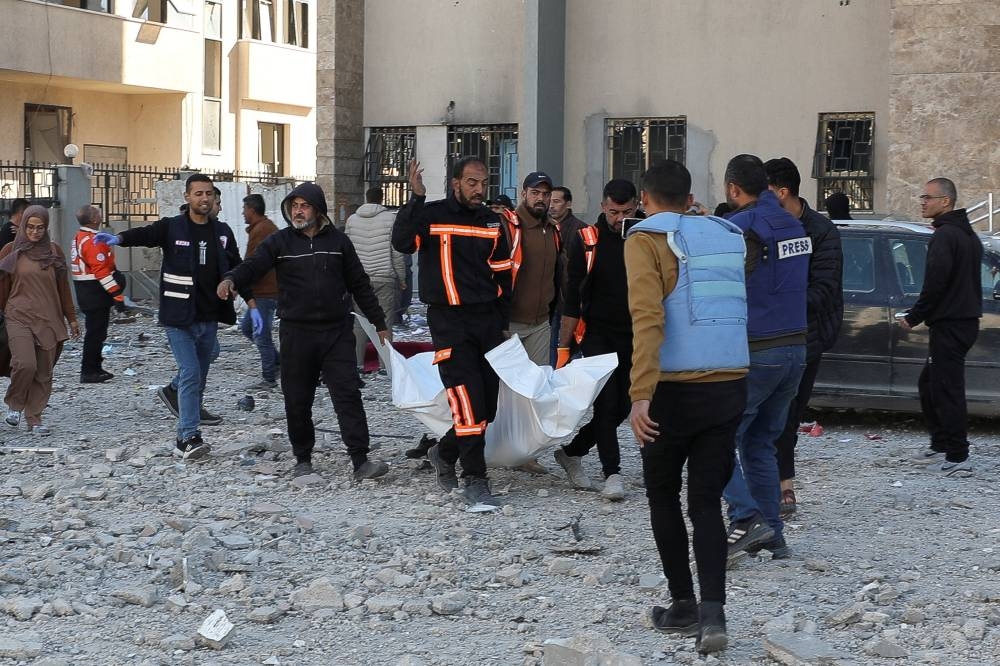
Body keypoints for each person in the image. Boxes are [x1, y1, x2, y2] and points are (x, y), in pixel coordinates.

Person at [626, 160, 748, 655]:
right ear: (689, 194)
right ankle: (713, 614)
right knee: (706, 504)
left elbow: (648, 320)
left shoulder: (646, 240)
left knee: (661, 493)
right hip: (729, 386)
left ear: (645, 198)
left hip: (673, 392)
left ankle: (682, 605)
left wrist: (639, 395)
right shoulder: (725, 234)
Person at [220, 182, 391, 481]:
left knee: (348, 395)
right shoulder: (280, 242)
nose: (298, 211)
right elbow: (254, 265)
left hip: (337, 332)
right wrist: (232, 278)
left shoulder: (339, 243)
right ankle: (303, 459)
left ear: (317, 209)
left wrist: (380, 324)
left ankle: (361, 461)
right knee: (297, 398)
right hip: (296, 333)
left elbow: (360, 284)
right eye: (294, 206)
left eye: (305, 205)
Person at [95, 173, 251, 459]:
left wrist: (236, 285)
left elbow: (237, 266)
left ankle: (175, 396)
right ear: (187, 197)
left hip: (209, 318)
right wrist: (117, 238)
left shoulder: (223, 232)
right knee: (191, 371)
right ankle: (187, 436)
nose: (204, 198)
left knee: (198, 376)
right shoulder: (173, 228)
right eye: (198, 194)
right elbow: (146, 234)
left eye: (209, 194)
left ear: (214, 198)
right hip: (178, 317)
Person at [392, 157, 513, 508]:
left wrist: (502, 321)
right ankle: (475, 477)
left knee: (487, 406)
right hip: (449, 322)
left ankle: (443, 453)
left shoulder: (492, 221)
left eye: (483, 183)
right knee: (466, 400)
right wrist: (414, 198)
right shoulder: (431, 215)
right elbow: (402, 242)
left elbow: (504, 273)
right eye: (472, 182)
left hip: (488, 322)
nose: (479, 189)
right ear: (456, 183)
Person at [720, 155, 809, 562]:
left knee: (716, 439)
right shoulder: (795, 223)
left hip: (759, 349)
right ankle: (774, 535)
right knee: (760, 443)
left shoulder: (740, 227)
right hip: (796, 350)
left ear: (733, 189)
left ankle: (746, 515)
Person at [763, 158, 844, 514]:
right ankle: (764, 484)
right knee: (760, 414)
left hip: (804, 338)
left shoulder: (822, 231)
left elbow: (824, 290)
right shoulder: (762, 227)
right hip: (766, 336)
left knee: (788, 414)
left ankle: (784, 487)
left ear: (782, 192)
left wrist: (776, 302)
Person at [553, 179, 640, 501]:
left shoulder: (645, 234)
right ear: (603, 207)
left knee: (625, 407)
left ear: (637, 206)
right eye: (614, 212)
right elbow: (572, 296)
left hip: (636, 333)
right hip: (597, 334)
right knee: (606, 404)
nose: (620, 218)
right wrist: (564, 346)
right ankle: (612, 472)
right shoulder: (586, 240)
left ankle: (572, 451)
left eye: (627, 211)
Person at [902, 177, 981, 477]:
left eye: (928, 197)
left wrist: (913, 316)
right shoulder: (963, 233)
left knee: (947, 389)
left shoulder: (947, 236)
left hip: (952, 324)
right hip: (959, 322)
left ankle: (958, 457)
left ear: (945, 201)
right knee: (930, 383)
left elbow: (935, 284)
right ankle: (941, 442)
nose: (922, 201)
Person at [0, 205, 80, 435]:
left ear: (46, 228)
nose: (35, 232)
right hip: (18, 315)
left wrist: (72, 318)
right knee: (25, 364)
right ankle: (15, 405)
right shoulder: (10, 250)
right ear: (23, 226)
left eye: (40, 227)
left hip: (49, 319)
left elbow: (63, 287)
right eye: (30, 227)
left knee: (44, 372)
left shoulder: (54, 252)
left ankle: (34, 418)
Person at [502, 171, 561, 365]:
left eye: (545, 194)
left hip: (541, 324)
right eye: (535, 192)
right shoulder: (508, 225)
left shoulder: (553, 230)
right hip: (510, 323)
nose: (541, 199)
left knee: (538, 387)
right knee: (509, 386)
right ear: (523, 193)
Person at [346, 186, 406, 370]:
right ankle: (385, 363)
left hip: (360, 279)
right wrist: (402, 277)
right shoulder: (391, 218)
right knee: (385, 320)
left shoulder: (352, 220)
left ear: (366, 197)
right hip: (384, 276)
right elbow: (396, 252)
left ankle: (357, 363)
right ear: (382, 198)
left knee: (360, 320)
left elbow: (347, 251)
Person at [71, 205, 126, 383]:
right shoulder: (92, 241)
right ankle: (90, 370)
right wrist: (117, 295)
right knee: (96, 332)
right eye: (98, 213)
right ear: (94, 219)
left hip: (87, 292)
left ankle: (94, 367)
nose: (101, 215)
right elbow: (102, 272)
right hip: (94, 293)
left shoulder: (81, 236)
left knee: (96, 331)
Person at [240, 194, 280, 389]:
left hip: (266, 291)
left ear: (252, 210)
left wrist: (238, 280)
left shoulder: (263, 230)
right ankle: (278, 363)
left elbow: (253, 262)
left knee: (261, 334)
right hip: (260, 291)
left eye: (244, 209)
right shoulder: (263, 228)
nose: (242, 213)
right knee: (247, 328)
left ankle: (269, 377)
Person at [547, 186, 586, 364]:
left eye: (557, 201)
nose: (551, 205)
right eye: (550, 201)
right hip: (548, 304)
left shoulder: (580, 230)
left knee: (563, 355)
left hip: (567, 305)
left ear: (568, 203)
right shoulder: (546, 228)